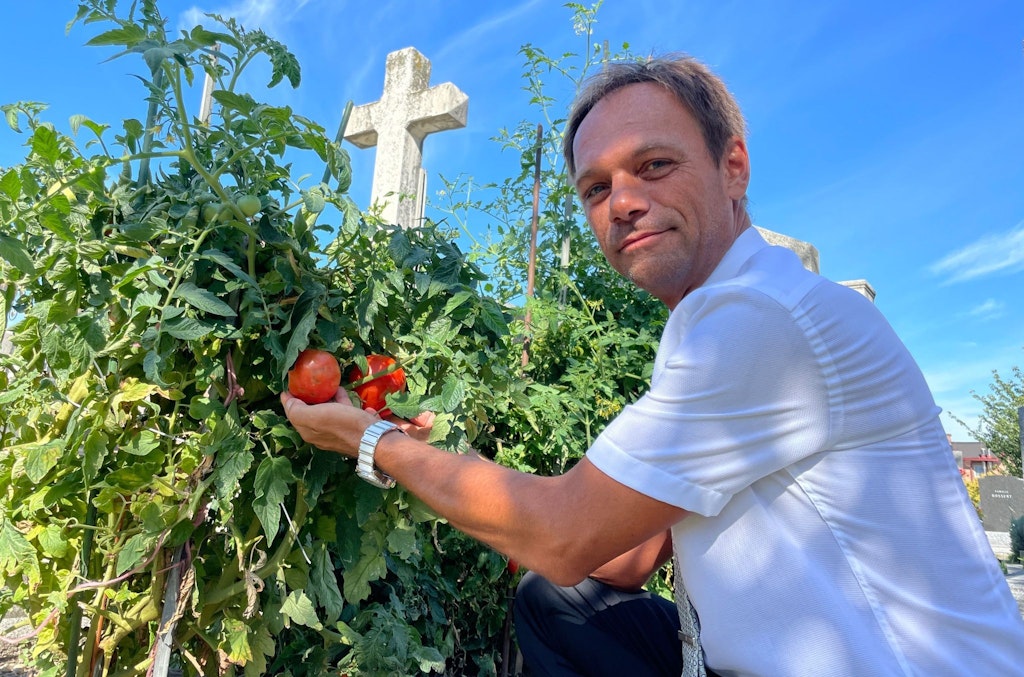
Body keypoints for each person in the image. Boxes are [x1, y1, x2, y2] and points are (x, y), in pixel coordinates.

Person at [282, 54, 1024, 676]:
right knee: (556, 600)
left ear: (733, 166)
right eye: (596, 188)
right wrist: (471, 472)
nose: (623, 202)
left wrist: (371, 440)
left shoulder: (760, 317)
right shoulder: (722, 319)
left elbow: (562, 535)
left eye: (654, 165)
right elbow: (619, 558)